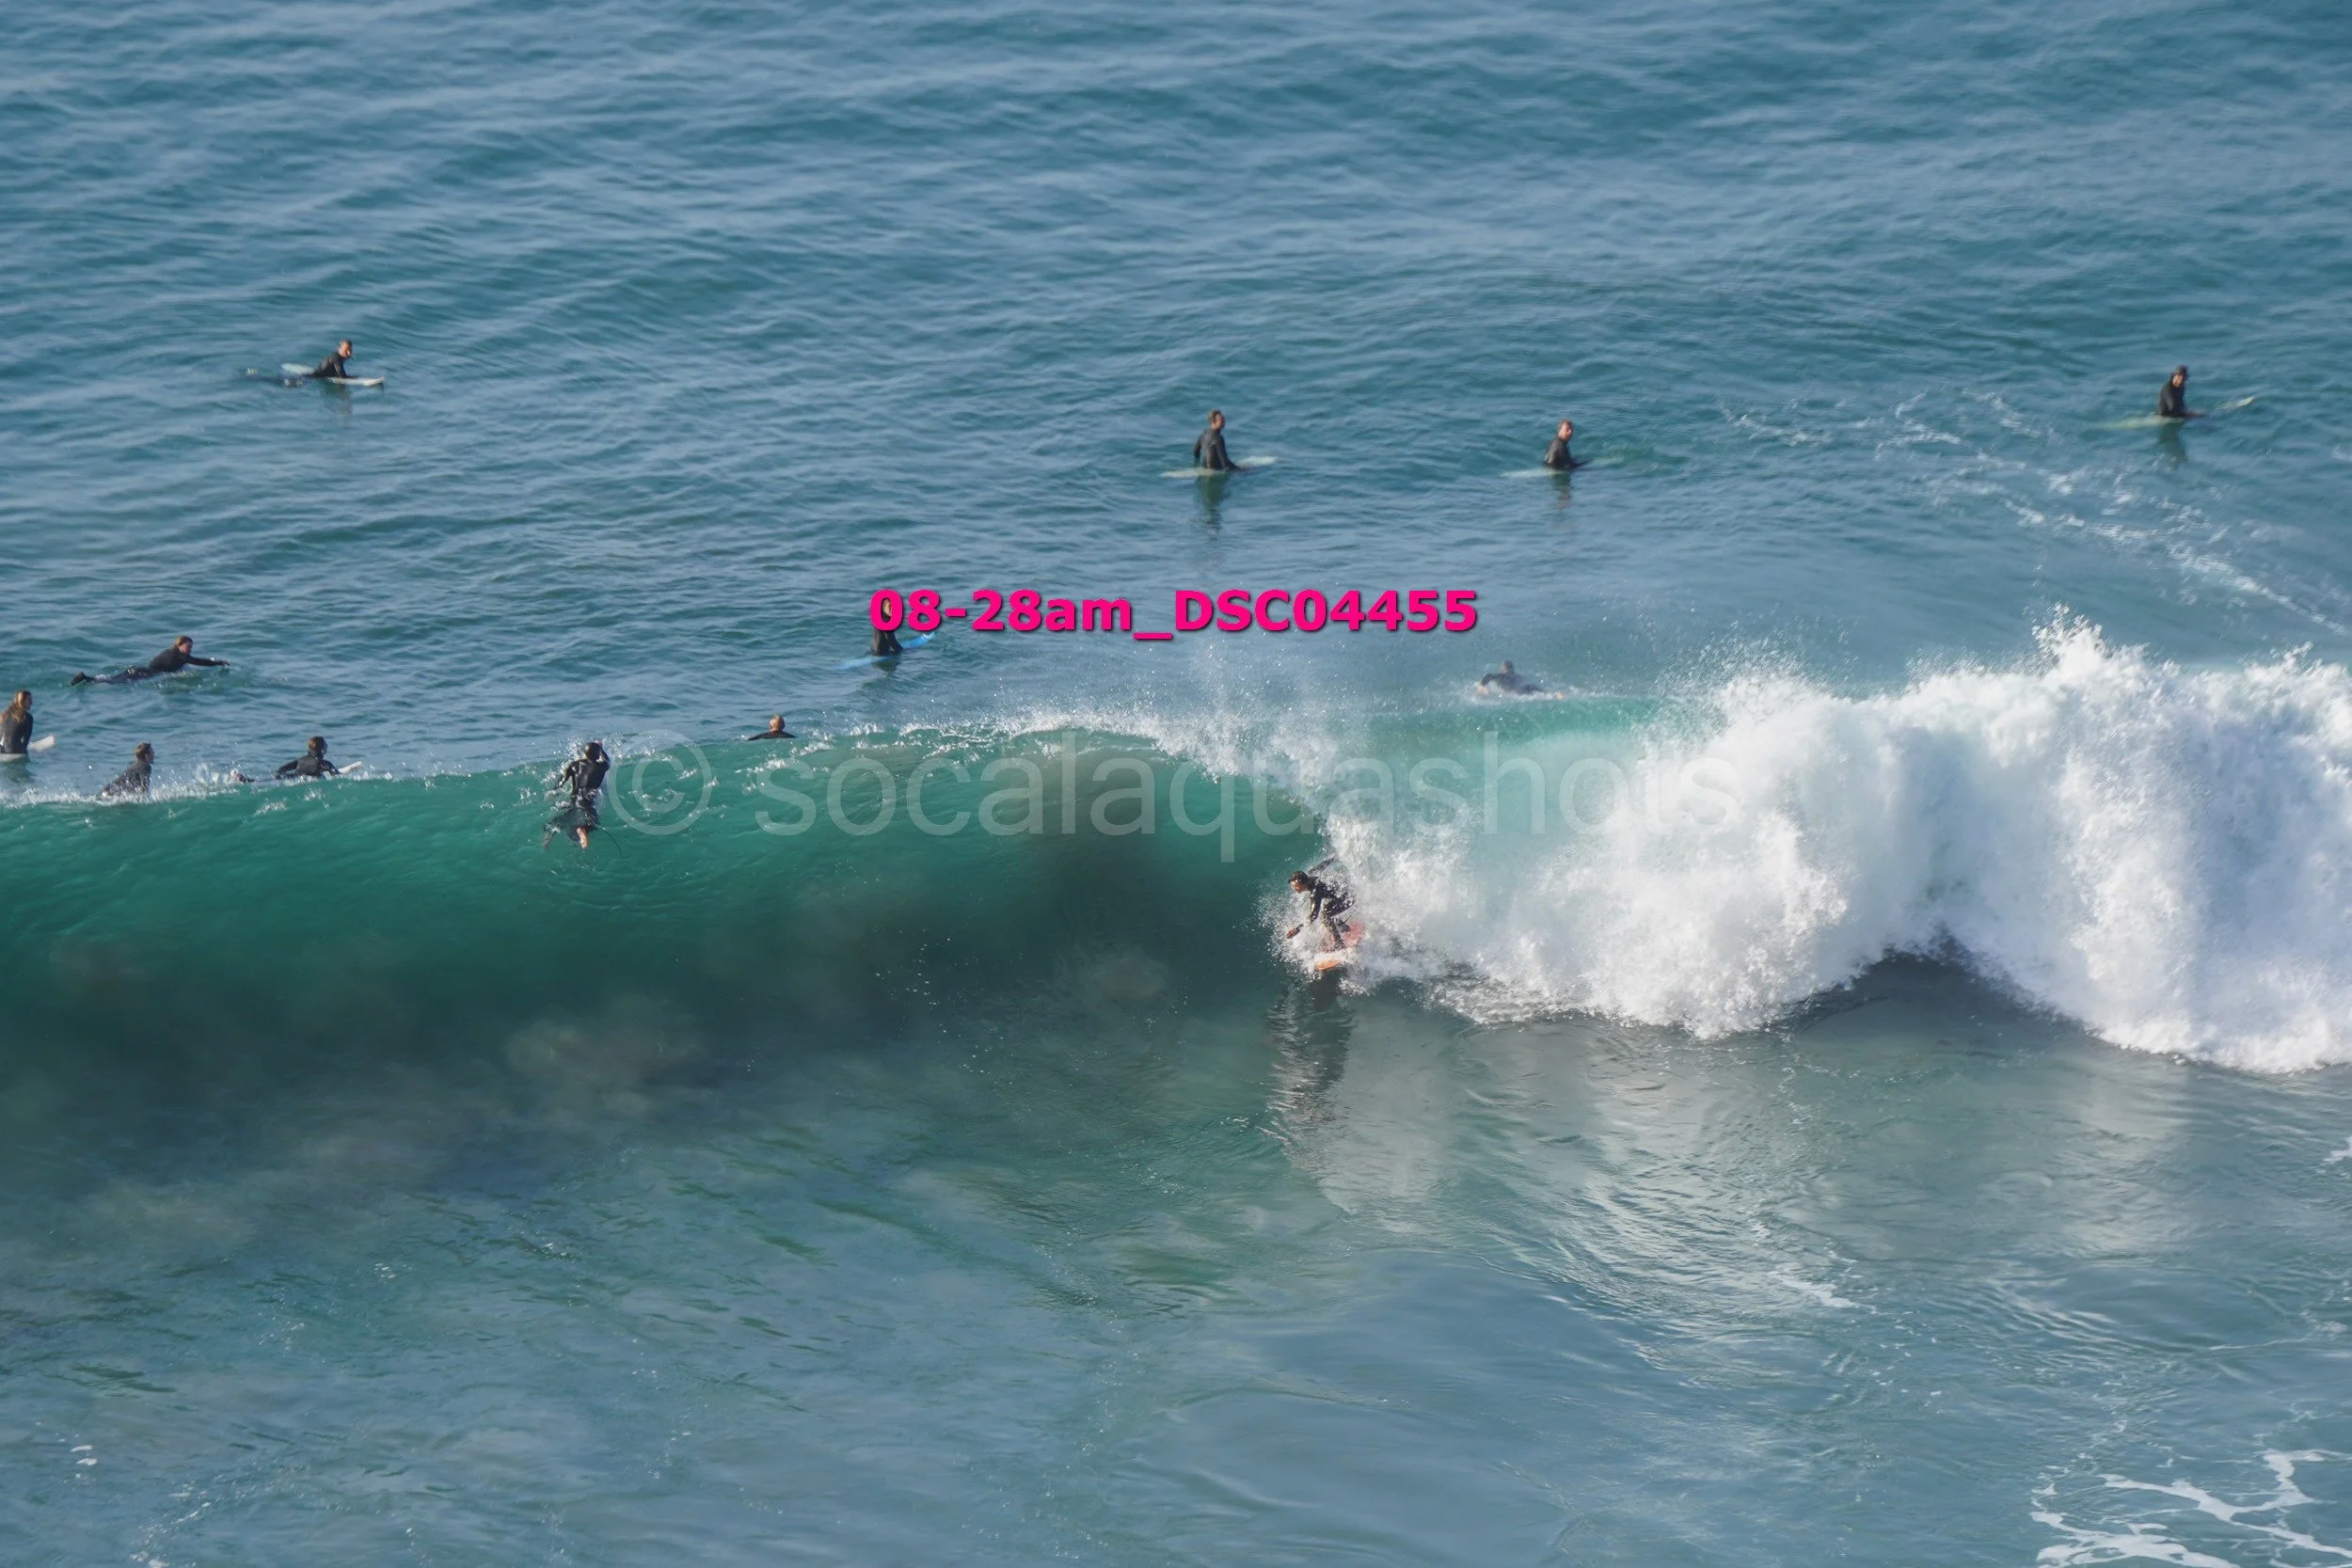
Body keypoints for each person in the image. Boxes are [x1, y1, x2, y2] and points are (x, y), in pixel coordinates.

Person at [71, 636, 230, 686]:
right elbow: (198, 662)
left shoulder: (171, 651)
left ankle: (87, 678)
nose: (190, 649)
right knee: (114, 683)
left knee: (112, 679)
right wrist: (218, 662)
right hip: (144, 674)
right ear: (179, 645)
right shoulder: (180, 655)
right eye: (187, 647)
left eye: (191, 647)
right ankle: (86, 679)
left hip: (139, 669)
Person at [546, 740, 610, 849]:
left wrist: (554, 792)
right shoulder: (602, 767)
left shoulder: (574, 765)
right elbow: (607, 760)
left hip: (574, 797)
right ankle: (583, 829)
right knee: (592, 821)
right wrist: (600, 748)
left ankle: (549, 837)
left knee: (564, 816)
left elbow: (561, 781)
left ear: (585, 753)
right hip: (587, 798)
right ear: (598, 755)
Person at [1283, 863, 1353, 948]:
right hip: (1347, 890)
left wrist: (1297, 929)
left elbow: (1313, 916)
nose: (1294, 888)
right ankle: (1344, 928)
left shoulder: (1315, 893)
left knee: (1325, 915)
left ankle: (1338, 942)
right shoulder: (1308, 876)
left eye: (1296, 886)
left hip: (1348, 897)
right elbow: (1321, 866)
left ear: (1303, 884)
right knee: (1327, 910)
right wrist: (1332, 859)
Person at [275, 735, 341, 779]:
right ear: (322, 749)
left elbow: (280, 770)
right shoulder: (324, 763)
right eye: (326, 744)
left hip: (293, 778)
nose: (327, 745)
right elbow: (336, 775)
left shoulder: (300, 760)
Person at [1192, 409, 1236, 473]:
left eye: (1223, 420)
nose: (1224, 422)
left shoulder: (1204, 434)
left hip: (1204, 466)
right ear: (1213, 422)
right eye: (1221, 420)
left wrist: (1196, 464)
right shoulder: (1218, 438)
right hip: (1215, 468)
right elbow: (1224, 462)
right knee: (1247, 471)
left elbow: (1195, 450)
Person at [1478, 659, 1543, 695]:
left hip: (1518, 691)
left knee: (1531, 686)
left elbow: (1524, 681)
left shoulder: (1515, 676)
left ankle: (1547, 694)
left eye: (1510, 668)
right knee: (1529, 687)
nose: (1509, 670)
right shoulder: (1500, 676)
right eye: (1507, 668)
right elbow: (1487, 677)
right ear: (1502, 669)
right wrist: (1482, 687)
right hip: (1513, 692)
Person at [0, 690, 31, 756]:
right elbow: (25, 741)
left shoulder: (5, 714)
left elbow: (1, 735)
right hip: (16, 752)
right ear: (22, 701)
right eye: (29, 700)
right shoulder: (28, 717)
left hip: (3, 751)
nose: (31, 703)